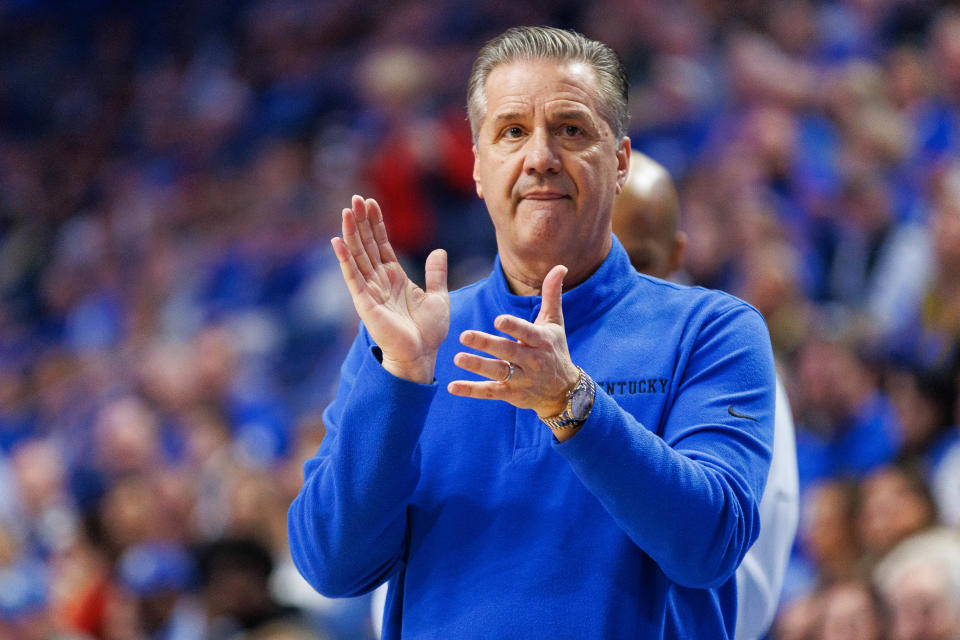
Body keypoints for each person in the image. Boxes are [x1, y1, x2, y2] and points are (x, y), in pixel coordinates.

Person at [288, 26, 776, 639]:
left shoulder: (714, 331)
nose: (540, 156)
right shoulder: (408, 339)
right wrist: (401, 378)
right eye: (512, 132)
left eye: (571, 130)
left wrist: (572, 403)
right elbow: (330, 564)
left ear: (619, 161)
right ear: (477, 168)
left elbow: (709, 546)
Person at [612, 150, 800, 640]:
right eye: (601, 257)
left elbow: (751, 574)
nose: (619, 278)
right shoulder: (548, 352)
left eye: (638, 260)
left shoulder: (732, 358)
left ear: (678, 253)